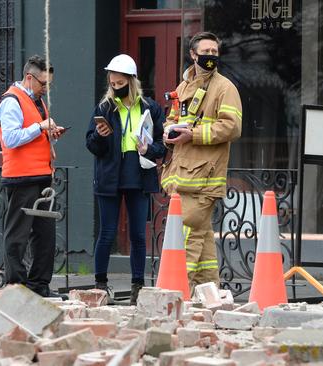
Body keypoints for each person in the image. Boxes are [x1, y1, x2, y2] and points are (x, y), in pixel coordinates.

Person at [161, 32, 242, 291]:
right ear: (193, 55)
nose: (211, 56)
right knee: (203, 241)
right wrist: (168, 132)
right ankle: (209, 297)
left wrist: (192, 135)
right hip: (183, 176)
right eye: (205, 52)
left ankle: (175, 294)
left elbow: (232, 127)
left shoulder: (225, 88)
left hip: (203, 181)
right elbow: (172, 119)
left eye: (214, 52)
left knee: (186, 238)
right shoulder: (183, 87)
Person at [85, 54, 167, 305]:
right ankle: (100, 285)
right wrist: (99, 136)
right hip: (109, 175)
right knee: (107, 233)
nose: (115, 87)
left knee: (138, 236)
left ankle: (137, 288)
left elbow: (163, 144)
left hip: (138, 173)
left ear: (131, 82)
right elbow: (91, 145)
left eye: (120, 83)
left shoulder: (150, 108)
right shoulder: (104, 108)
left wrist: (149, 150)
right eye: (112, 83)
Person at [0, 55, 68, 299]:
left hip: (42, 175)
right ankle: (16, 287)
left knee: (44, 235)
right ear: (29, 78)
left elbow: (33, 134)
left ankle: (39, 286)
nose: (46, 89)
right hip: (21, 177)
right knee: (17, 234)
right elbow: (11, 138)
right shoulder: (11, 101)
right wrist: (40, 127)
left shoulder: (36, 101)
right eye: (43, 83)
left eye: (48, 84)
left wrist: (50, 132)